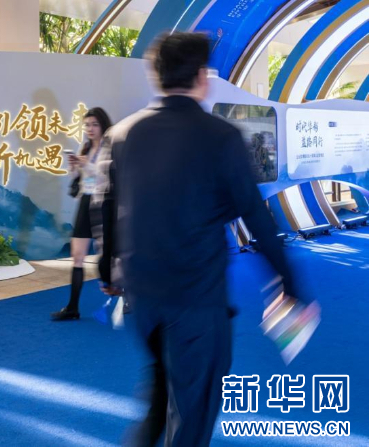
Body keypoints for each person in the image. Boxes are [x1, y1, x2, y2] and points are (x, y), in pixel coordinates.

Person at [110, 33, 309, 446]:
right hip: (195, 302)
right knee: (192, 416)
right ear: (202, 77)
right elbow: (256, 216)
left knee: (162, 397)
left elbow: (119, 207)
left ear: (157, 76)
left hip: (143, 300)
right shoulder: (219, 136)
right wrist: (288, 285)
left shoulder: (129, 135)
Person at [51, 107, 113, 321]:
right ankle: (72, 307)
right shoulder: (85, 147)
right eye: (87, 125)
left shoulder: (111, 148)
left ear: (103, 125)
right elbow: (80, 178)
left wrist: (89, 165)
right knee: (77, 256)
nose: (90, 129)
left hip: (105, 202)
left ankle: (127, 297)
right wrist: (75, 167)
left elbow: (111, 178)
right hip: (86, 201)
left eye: (94, 124)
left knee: (112, 257)